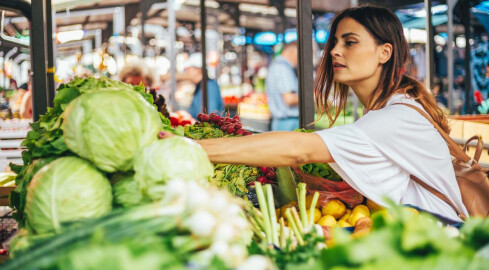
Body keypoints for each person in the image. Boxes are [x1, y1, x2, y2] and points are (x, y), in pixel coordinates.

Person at [160, 6, 467, 223]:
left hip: (437, 238)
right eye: (334, 42)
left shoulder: (394, 117)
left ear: (384, 53)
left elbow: (299, 149)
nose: (334, 51)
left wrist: (190, 146)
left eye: (349, 42)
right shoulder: (392, 107)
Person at [265, 42, 299, 131]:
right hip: (287, 123)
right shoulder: (283, 68)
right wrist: (314, 97)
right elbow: (289, 99)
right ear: (294, 52)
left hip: (283, 122)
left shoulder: (276, 65)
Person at [184, 53, 224, 119]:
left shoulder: (210, 87)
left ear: (198, 70)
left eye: (188, 70)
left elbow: (210, 116)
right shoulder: (199, 86)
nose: (187, 73)